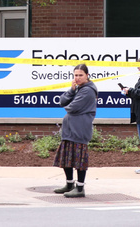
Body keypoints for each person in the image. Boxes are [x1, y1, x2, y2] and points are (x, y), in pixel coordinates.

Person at [53, 63, 98, 198]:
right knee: (67, 158)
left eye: (80, 75)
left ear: (87, 76)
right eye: (75, 75)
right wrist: (71, 91)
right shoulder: (78, 89)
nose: (77, 78)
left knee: (79, 161)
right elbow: (62, 101)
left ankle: (80, 188)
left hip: (80, 130)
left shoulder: (88, 90)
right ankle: (69, 184)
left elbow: (71, 107)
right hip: (69, 130)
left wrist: (70, 103)